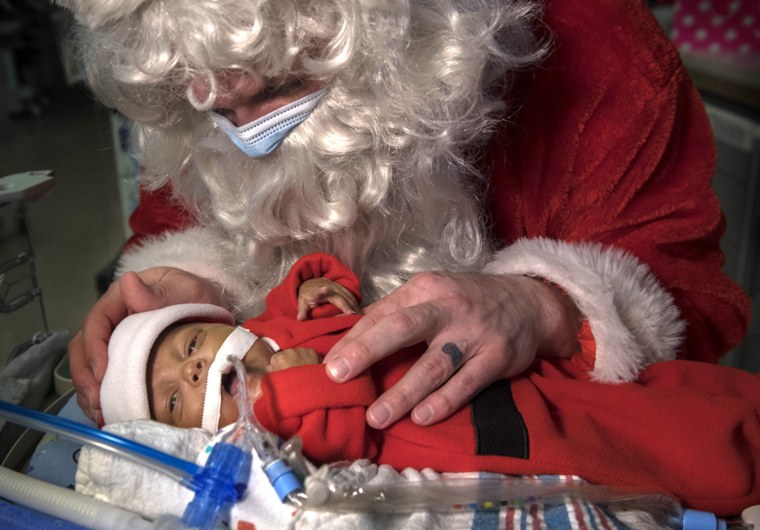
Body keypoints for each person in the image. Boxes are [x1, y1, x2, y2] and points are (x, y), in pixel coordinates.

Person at [59, 0, 750, 430]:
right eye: (214, 107)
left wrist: (544, 309)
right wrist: (188, 282)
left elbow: (689, 301)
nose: (251, 137)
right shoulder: (193, 89)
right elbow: (169, 218)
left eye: (288, 86)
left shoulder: (600, 49)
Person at [100, 254, 760, 516]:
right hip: (497, 440)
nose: (191, 371)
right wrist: (278, 393)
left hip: (512, 367)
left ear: (225, 327)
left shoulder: (271, 330)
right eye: (175, 398)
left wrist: (315, 284)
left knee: (658, 392)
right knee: (659, 450)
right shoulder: (263, 433)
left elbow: (317, 297)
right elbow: (341, 417)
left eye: (190, 347)